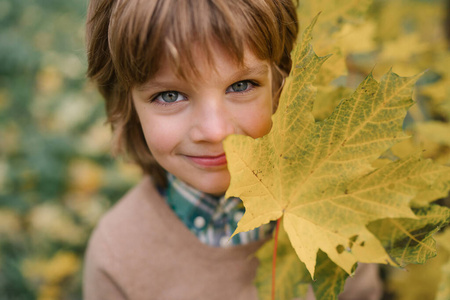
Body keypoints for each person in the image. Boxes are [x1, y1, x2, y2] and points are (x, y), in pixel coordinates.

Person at [83, 0, 382, 299]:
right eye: (170, 95)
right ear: (127, 105)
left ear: (281, 84)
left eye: (241, 86)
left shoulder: (333, 207)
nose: (215, 131)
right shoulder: (117, 254)